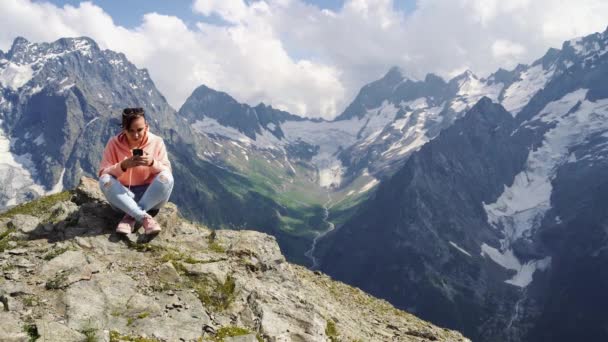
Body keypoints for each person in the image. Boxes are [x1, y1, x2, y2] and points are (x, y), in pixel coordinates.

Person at [98, 107, 174, 234]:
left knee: (167, 178)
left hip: (152, 195)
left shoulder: (156, 141)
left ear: (146, 126)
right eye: (130, 130)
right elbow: (102, 172)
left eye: (139, 130)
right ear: (124, 129)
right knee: (104, 180)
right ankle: (144, 217)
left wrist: (152, 163)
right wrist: (122, 166)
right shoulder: (113, 143)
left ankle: (130, 215)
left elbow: (167, 171)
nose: (136, 135)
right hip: (124, 195)